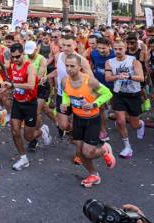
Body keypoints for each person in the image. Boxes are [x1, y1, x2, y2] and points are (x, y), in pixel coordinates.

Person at [60, 53, 116, 188]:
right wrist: (64, 103)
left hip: (92, 120)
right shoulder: (64, 81)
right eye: (67, 66)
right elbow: (66, 93)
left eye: (72, 66)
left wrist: (94, 104)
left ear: (79, 67)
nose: (69, 69)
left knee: (88, 153)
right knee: (79, 153)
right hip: (78, 119)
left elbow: (108, 93)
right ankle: (93, 174)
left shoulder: (89, 81)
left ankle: (104, 149)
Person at [2, 43, 51, 170]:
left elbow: (30, 85)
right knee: (14, 131)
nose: (15, 59)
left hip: (30, 104)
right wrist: (6, 89)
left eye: (18, 56)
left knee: (28, 137)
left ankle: (42, 130)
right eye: (13, 57)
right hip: (18, 103)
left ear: (23, 54)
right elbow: (14, 84)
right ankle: (23, 159)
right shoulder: (13, 66)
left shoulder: (30, 67)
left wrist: (13, 85)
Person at [105, 40, 146, 159]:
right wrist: (117, 76)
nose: (118, 51)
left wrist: (129, 76)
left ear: (125, 48)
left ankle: (140, 125)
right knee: (120, 121)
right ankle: (127, 147)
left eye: (120, 49)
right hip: (119, 94)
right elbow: (108, 78)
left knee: (134, 124)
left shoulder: (133, 60)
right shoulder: (109, 62)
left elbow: (141, 78)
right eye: (115, 49)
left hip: (134, 95)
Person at [90, 37, 115, 141]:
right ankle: (103, 131)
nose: (100, 50)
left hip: (113, 85)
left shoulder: (115, 54)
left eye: (103, 48)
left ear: (109, 46)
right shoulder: (94, 53)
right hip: (99, 86)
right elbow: (92, 66)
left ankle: (113, 111)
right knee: (101, 109)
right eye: (99, 48)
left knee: (115, 111)